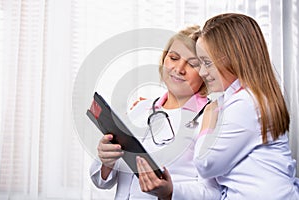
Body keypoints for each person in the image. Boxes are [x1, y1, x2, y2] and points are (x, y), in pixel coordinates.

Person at [89, 26, 221, 199]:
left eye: (193, 64)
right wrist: (106, 160)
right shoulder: (140, 109)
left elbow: (215, 193)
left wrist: (170, 192)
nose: (179, 69)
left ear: (205, 72)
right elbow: (101, 182)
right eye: (173, 58)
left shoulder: (210, 117)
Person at [193, 13, 299, 199]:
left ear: (233, 59)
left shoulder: (245, 103)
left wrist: (209, 119)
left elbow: (205, 163)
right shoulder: (251, 98)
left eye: (207, 63)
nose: (202, 72)